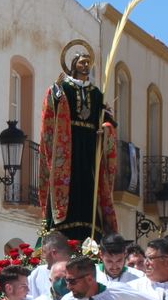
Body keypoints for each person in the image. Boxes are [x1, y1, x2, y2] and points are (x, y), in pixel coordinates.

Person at [39, 43, 118, 238]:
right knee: (70, 183)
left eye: (88, 63)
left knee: (90, 185)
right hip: (69, 145)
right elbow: (52, 110)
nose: (85, 66)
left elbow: (108, 121)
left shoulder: (97, 93)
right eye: (82, 63)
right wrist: (55, 93)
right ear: (73, 64)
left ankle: (91, 229)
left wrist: (105, 130)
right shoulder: (64, 87)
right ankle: (63, 227)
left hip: (90, 145)